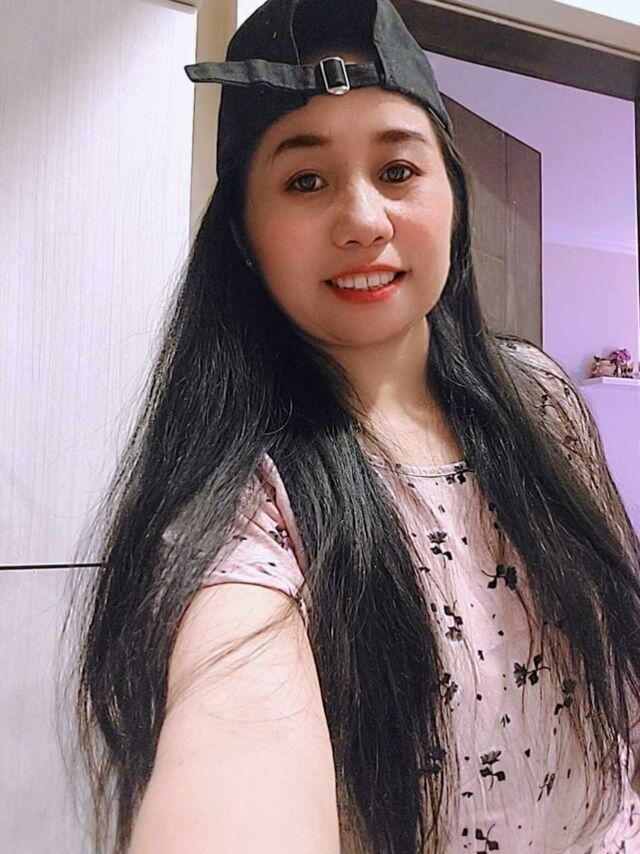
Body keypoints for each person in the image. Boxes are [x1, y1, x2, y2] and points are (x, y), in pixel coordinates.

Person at [64, 0, 640, 851]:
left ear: (454, 197)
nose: (365, 220)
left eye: (398, 170)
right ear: (245, 233)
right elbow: (235, 736)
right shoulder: (243, 506)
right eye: (306, 180)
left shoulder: (541, 397)